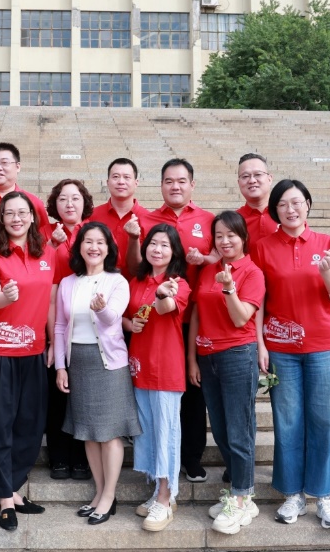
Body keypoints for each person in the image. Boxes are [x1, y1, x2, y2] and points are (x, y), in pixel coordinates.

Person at [251, 180, 330, 530]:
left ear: (308, 204)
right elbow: (258, 300)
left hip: (322, 344)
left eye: (296, 202)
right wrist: (261, 344)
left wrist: (327, 270)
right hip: (281, 346)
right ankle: (293, 494)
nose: (290, 209)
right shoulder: (262, 247)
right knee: (288, 420)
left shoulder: (326, 243)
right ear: (274, 210)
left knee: (324, 419)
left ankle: (324, 495)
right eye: (282, 204)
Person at [0, 191, 57, 531]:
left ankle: (12, 485)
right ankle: (5, 497)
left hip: (33, 349)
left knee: (29, 424)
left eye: (23, 212)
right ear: (1, 218)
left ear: (33, 217)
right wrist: (3, 297)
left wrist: (53, 342)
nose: (17, 218)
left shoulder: (47, 252)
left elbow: (50, 302)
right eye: (10, 213)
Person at [54, 222, 138, 526]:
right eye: (88, 241)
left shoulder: (117, 281)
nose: (94, 247)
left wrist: (101, 309)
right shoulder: (67, 283)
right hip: (78, 362)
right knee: (88, 432)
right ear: (79, 247)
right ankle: (100, 493)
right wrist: (61, 366)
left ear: (109, 248)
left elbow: (113, 318)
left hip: (109, 365)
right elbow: (60, 326)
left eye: (100, 242)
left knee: (110, 432)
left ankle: (109, 495)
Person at [190, 211, 265, 535]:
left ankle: (240, 497)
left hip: (237, 356)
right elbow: (196, 313)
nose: (224, 241)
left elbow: (240, 318)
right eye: (218, 236)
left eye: (231, 235)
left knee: (239, 431)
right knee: (221, 431)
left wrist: (229, 288)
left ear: (243, 237)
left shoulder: (252, 272)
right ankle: (242, 494)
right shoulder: (208, 269)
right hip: (207, 357)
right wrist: (192, 358)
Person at [140, 159, 214, 483]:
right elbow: (138, 264)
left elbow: (224, 256)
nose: (175, 186)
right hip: (156, 317)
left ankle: (191, 457)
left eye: (182, 181)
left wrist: (206, 258)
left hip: (194, 317)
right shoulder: (148, 220)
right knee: (157, 389)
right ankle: (155, 458)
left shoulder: (208, 220)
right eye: (169, 181)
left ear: (192, 185)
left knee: (193, 389)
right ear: (161, 185)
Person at [123, 224, 190, 532]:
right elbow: (126, 314)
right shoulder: (136, 280)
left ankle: (165, 497)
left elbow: (165, 308)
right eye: (153, 243)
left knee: (166, 432)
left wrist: (163, 292)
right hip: (140, 365)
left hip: (165, 367)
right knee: (147, 431)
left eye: (165, 245)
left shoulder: (179, 283)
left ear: (174, 252)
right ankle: (159, 491)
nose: (157, 249)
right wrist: (129, 324)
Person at [44, 178, 93, 481]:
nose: (70, 204)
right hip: (56, 320)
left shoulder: (94, 234)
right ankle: (58, 456)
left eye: (75, 198)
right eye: (63, 198)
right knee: (57, 393)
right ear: (55, 204)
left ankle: (81, 457)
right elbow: (48, 291)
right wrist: (53, 340)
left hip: (88, 324)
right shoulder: (44, 235)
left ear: (85, 202)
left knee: (83, 394)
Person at [235, 153, 330, 256]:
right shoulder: (232, 222)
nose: (252, 180)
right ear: (239, 182)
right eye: (245, 176)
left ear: (269, 178)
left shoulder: (287, 214)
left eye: (258, 174)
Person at [88, 158, 152, 278]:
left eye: (127, 177)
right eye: (116, 177)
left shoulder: (149, 219)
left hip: (137, 284)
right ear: (108, 182)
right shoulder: (92, 216)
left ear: (136, 183)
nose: (121, 182)